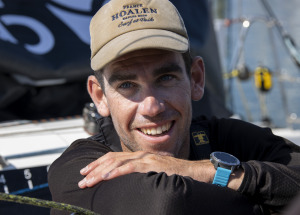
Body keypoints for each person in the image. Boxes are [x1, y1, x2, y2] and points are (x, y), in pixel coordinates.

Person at [48, 0, 300, 214]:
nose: (152, 107)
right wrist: (265, 195)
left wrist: (196, 170)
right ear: (100, 96)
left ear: (196, 79)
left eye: (166, 78)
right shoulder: (78, 168)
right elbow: (167, 204)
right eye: (127, 84)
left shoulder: (223, 136)